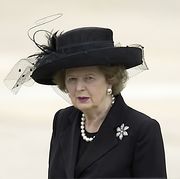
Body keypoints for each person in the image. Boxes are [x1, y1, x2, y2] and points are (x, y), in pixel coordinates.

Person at [7, 27, 167, 178]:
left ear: (110, 79)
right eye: (72, 79)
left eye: (89, 78)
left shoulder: (142, 129)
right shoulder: (63, 120)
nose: (79, 87)